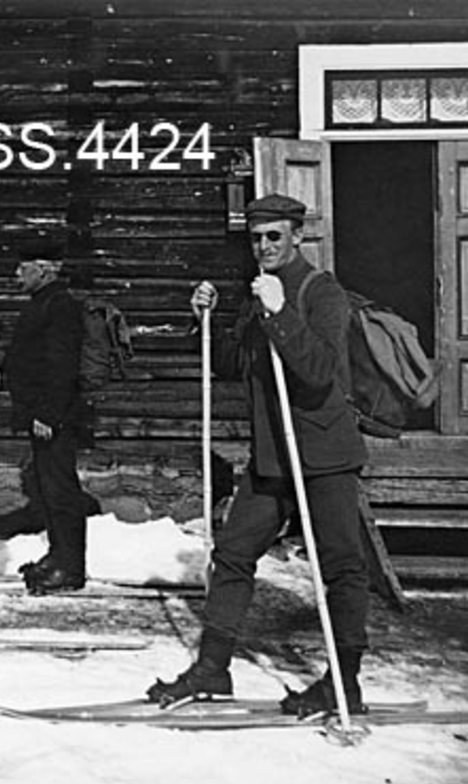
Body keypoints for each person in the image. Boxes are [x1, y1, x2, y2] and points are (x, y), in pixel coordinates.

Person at [147, 194, 371, 717]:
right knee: (232, 554)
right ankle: (211, 670)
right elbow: (234, 365)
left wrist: (280, 312)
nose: (264, 246)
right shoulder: (257, 294)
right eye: (256, 238)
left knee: (340, 567)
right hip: (272, 456)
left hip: (322, 454)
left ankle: (344, 683)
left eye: (274, 235)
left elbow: (318, 374)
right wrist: (206, 321)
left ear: (297, 236)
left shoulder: (324, 292)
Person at [5, 237, 92, 594]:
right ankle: (58, 556)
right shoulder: (43, 303)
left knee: (61, 491)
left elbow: (61, 366)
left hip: (53, 418)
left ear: (42, 269)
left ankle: (70, 568)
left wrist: (49, 414)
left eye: (22, 268)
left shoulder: (60, 307)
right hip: (41, 415)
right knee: (49, 488)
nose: (16, 275)